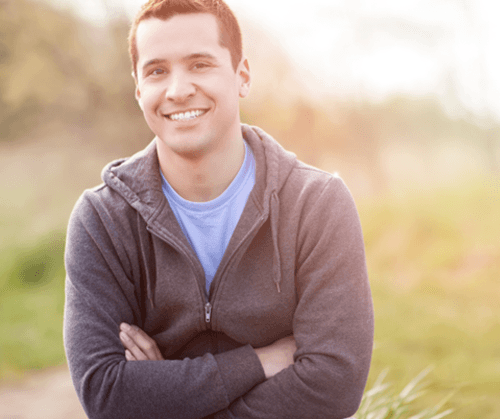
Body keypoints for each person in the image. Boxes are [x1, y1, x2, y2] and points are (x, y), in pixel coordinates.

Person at [62, 0, 374, 418]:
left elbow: (333, 387)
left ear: (241, 76)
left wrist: (165, 399)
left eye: (199, 64)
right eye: (157, 71)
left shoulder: (317, 204)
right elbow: (106, 393)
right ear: (139, 89)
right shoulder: (101, 219)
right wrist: (260, 362)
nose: (177, 90)